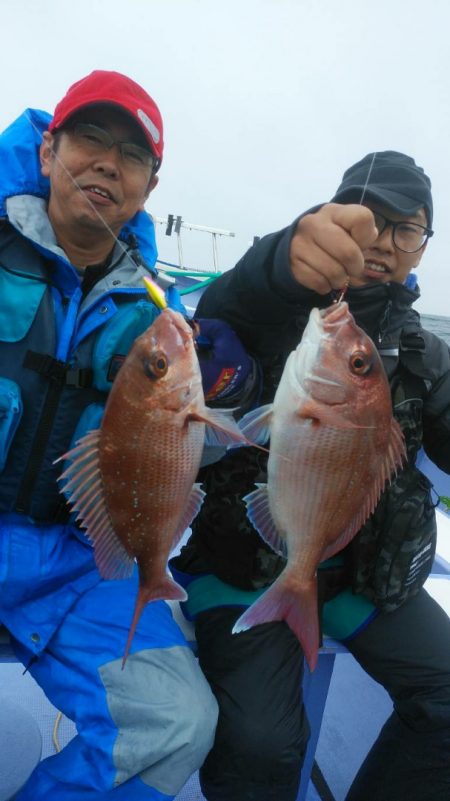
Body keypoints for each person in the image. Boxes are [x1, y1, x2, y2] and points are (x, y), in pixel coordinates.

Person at [0, 69, 255, 801]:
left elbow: (185, 449)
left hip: (84, 561)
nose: (109, 162)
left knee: (177, 719)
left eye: (133, 154)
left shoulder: (161, 314)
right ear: (49, 151)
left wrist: (233, 387)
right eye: (90, 138)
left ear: (148, 185)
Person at [172, 151, 450, 801]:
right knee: (262, 744)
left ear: (423, 244)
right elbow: (230, 308)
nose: (384, 241)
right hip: (247, 568)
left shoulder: (428, 356)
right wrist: (276, 270)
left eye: (406, 228)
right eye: (368, 220)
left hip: (362, 576)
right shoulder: (278, 319)